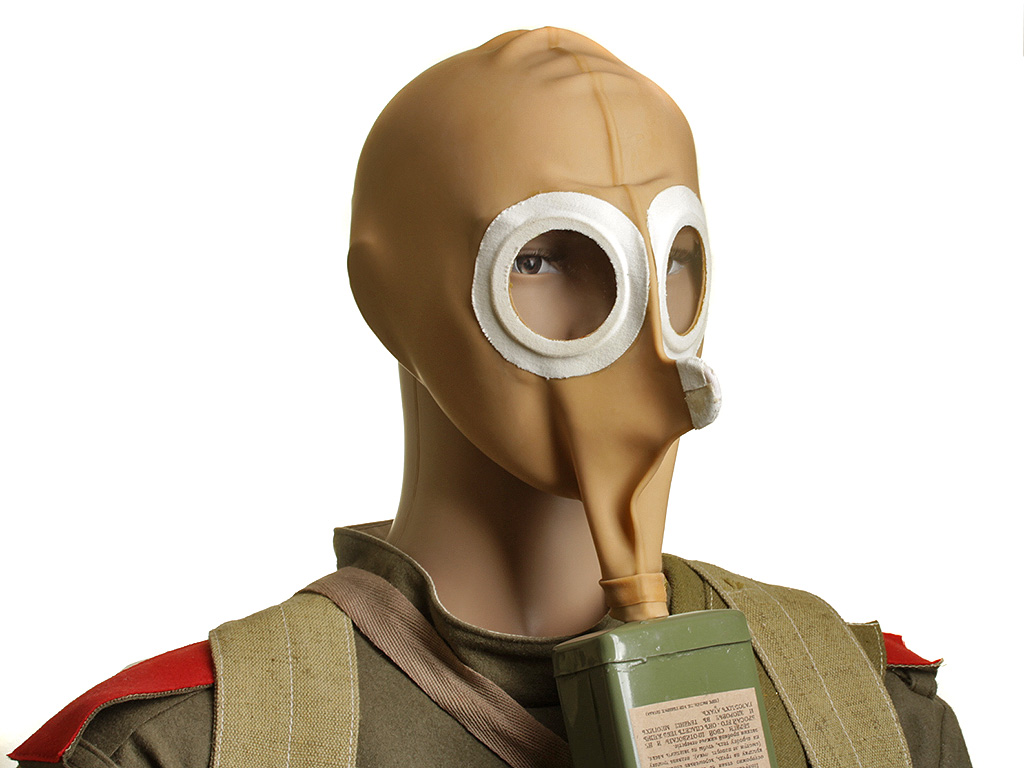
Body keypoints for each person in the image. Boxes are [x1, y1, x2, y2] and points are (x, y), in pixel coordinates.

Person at [11, 28, 971, 768]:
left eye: (671, 258)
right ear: (388, 298)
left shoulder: (868, 718)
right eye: (546, 258)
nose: (644, 339)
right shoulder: (184, 750)